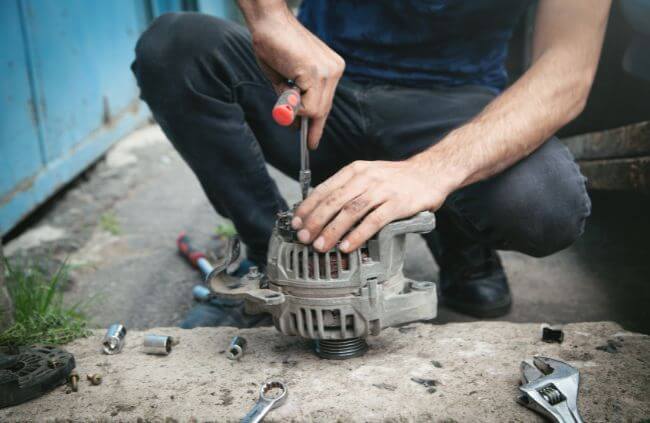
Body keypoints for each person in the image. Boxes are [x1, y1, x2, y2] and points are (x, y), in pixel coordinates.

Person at [131, 0, 610, 322]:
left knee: (546, 203)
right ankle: (271, 260)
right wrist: (270, 15)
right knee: (176, 44)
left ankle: (463, 244)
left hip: (454, 104)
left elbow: (568, 67)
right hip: (323, 88)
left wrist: (432, 171)